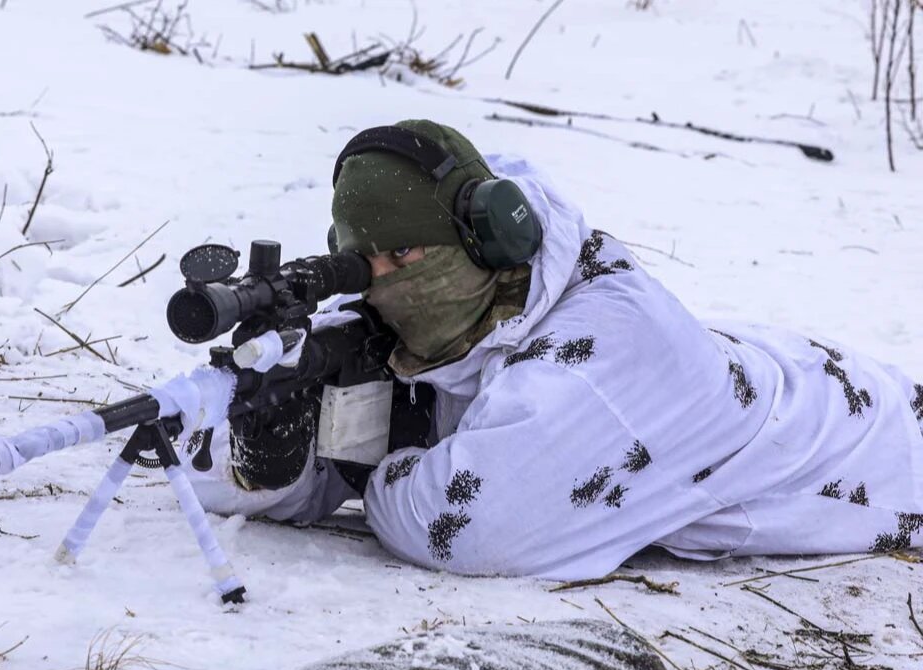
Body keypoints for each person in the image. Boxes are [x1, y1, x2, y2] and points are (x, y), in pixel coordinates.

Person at [188, 119, 923, 580]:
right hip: (777, 366)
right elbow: (212, 461)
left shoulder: (606, 351)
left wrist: (372, 454)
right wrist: (267, 458)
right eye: (363, 260)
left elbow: (472, 531)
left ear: (491, 235)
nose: (383, 281)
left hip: (882, 450)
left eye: (404, 253)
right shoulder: (420, 300)